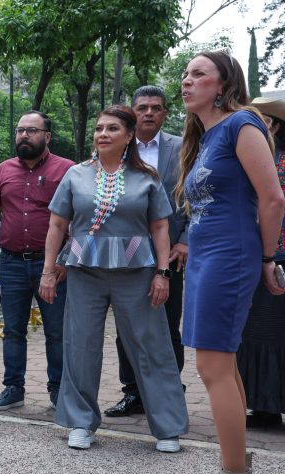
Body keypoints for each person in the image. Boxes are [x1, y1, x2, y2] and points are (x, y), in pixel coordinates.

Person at [39, 105, 189, 453]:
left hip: (137, 274)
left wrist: (163, 273)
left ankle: (167, 427)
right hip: (84, 274)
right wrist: (49, 271)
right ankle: (80, 422)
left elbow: (160, 227)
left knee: (151, 346)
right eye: (99, 128)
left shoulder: (147, 176)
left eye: (112, 129)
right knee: (80, 346)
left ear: (129, 136)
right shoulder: (76, 174)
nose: (103, 134)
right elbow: (57, 226)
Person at [174, 51, 285, 474]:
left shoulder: (243, 124)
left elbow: (273, 198)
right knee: (223, 367)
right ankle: (233, 473)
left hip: (231, 256)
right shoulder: (208, 136)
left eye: (198, 74)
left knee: (213, 368)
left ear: (223, 84)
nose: (186, 81)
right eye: (184, 73)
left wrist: (265, 257)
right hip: (207, 256)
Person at [0, 110, 73, 410]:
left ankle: (59, 390)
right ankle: (13, 388)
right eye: (20, 130)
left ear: (47, 136)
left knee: (56, 331)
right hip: (12, 263)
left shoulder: (67, 169)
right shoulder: (4, 170)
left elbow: (80, 218)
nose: (23, 136)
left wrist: (67, 261)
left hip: (53, 266)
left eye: (31, 131)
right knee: (13, 329)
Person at [105, 86, 189, 418]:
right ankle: (133, 391)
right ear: (133, 112)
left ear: (165, 113)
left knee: (167, 325)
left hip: (170, 253)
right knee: (126, 325)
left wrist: (185, 241)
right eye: (142, 108)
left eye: (156, 107)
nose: (149, 113)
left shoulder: (183, 148)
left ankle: (170, 389)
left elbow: (194, 199)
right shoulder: (117, 147)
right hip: (125, 251)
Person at [236, 96, 285, 429]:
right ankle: (264, 405)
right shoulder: (260, 158)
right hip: (260, 256)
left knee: (270, 332)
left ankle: (268, 405)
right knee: (260, 332)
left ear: (274, 125)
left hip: (274, 256)